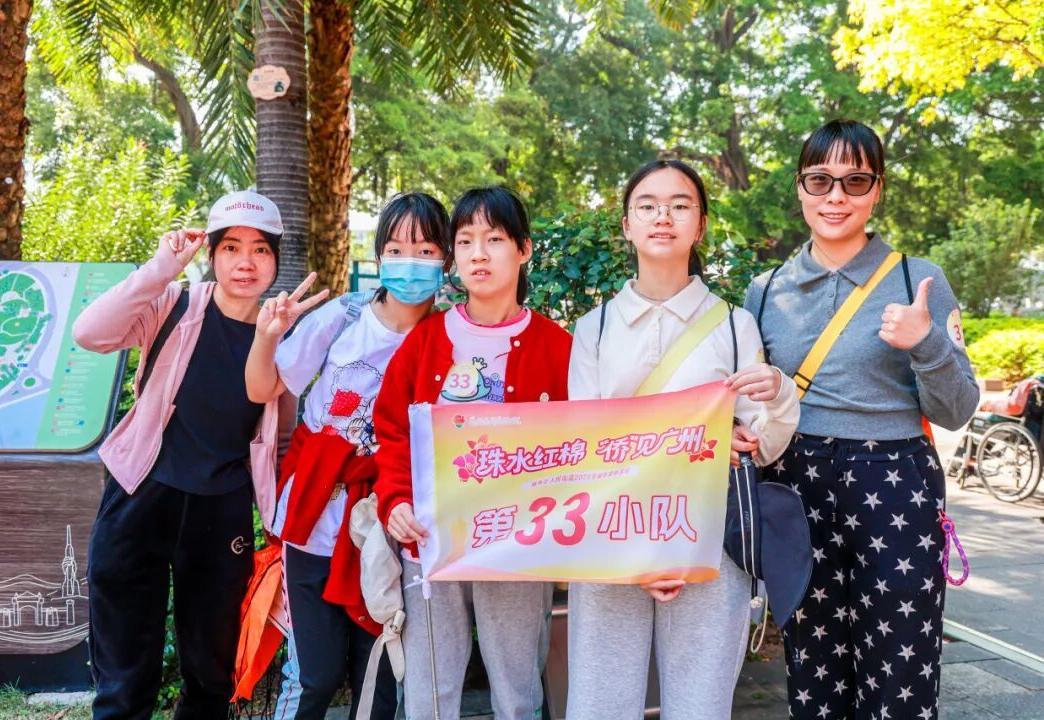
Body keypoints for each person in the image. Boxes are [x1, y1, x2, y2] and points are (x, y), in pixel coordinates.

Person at [743, 119, 979, 719]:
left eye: (855, 181)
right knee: (813, 666)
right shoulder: (765, 291)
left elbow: (958, 410)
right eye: (819, 179)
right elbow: (753, 407)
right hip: (797, 483)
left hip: (895, 479)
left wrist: (926, 342)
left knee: (902, 668)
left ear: (877, 190)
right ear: (799, 187)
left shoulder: (917, 279)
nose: (836, 196)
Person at [564, 160, 801, 719]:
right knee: (599, 705)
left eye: (680, 205)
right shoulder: (594, 328)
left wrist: (779, 395)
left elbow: (760, 445)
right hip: (609, 541)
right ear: (627, 225)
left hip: (709, 543)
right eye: (647, 205)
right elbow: (585, 448)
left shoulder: (735, 325)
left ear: (701, 225)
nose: (662, 217)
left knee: (701, 706)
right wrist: (637, 553)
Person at [73, 190, 295, 719]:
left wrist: (283, 514)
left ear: (275, 260)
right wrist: (160, 269)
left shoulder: (281, 333)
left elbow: (280, 436)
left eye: (260, 250)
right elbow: (89, 333)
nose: (245, 262)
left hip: (221, 507)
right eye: (231, 247)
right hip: (141, 491)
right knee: (124, 666)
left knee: (210, 668)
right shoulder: (173, 304)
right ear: (211, 253)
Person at [243, 192, 451, 720]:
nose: (411, 262)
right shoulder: (343, 316)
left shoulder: (449, 338)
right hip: (314, 514)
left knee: (377, 674)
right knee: (314, 675)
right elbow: (264, 387)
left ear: (446, 260)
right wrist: (267, 337)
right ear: (379, 255)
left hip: (392, 524)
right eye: (397, 249)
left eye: (426, 251)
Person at [373, 186, 572, 720]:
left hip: (518, 546)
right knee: (429, 691)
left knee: (517, 690)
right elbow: (391, 430)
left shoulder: (558, 347)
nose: (478, 254)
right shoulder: (425, 340)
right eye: (465, 241)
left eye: (494, 239)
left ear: (524, 249)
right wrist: (396, 499)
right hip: (430, 543)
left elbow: (579, 445)